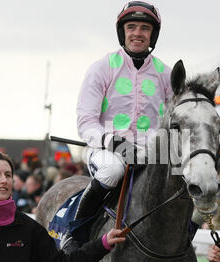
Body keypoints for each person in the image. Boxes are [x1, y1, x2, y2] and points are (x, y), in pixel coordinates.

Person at [71, 1, 171, 245]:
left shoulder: (166, 74)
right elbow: (86, 122)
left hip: (152, 152)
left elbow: (174, 120)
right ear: (123, 32)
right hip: (107, 150)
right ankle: (75, 234)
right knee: (112, 170)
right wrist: (113, 142)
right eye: (132, 27)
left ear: (152, 34)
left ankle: (186, 232)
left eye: (144, 28)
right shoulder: (101, 68)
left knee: (186, 176)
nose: (137, 33)